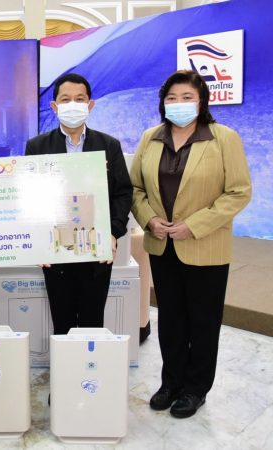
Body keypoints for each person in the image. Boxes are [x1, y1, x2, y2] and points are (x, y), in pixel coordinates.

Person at [130, 70, 251, 418]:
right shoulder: (150, 138)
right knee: (170, 318)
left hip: (205, 245)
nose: (179, 104)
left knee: (203, 321)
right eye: (172, 98)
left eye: (187, 97)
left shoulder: (223, 138)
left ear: (201, 102)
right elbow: (136, 188)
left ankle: (196, 388)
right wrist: (149, 219)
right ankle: (171, 382)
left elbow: (239, 191)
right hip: (162, 244)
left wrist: (194, 226)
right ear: (163, 103)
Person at [25, 73, 132, 336]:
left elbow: (123, 193)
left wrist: (113, 232)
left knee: (92, 322)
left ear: (90, 105)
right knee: (62, 323)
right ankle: (65, 363)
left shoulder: (109, 146)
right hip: (55, 252)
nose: (72, 104)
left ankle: (89, 362)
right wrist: (38, 242)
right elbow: (30, 197)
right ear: (54, 106)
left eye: (79, 99)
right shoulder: (37, 147)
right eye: (66, 99)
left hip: (97, 251)